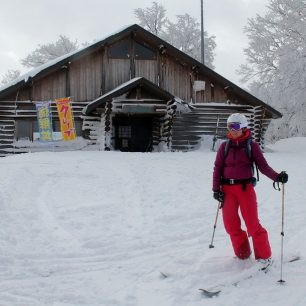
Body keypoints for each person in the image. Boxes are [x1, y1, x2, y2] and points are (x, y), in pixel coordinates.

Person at [212, 113, 288, 266]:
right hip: (227, 190)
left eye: (235, 126)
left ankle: (264, 257)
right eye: (229, 126)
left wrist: (277, 177)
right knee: (230, 225)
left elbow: (263, 166)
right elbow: (217, 168)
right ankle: (243, 253)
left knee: (253, 225)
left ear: (243, 127)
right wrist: (216, 189)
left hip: (245, 188)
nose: (232, 130)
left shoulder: (251, 146)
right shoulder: (224, 147)